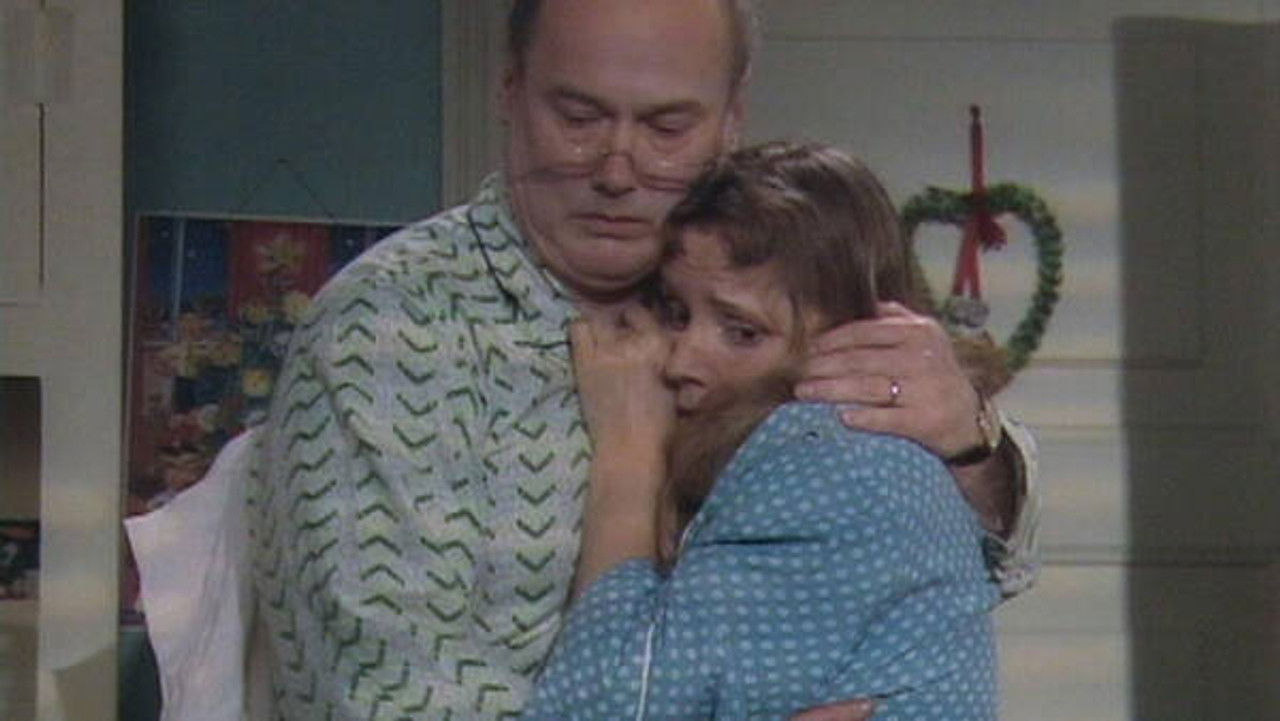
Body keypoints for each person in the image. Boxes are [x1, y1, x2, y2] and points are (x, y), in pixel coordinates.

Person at [248, 2, 1037, 720]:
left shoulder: (781, 282)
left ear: (731, 118)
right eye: (578, 117)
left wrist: (972, 447)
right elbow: (383, 700)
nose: (617, 170)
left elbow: (959, 577)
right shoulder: (389, 330)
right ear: (510, 91)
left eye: (667, 128)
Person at [526, 140, 1000, 721]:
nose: (679, 362)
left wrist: (629, 457)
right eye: (676, 313)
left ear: (861, 342)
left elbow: (606, 707)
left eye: (742, 332)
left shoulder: (836, 464)